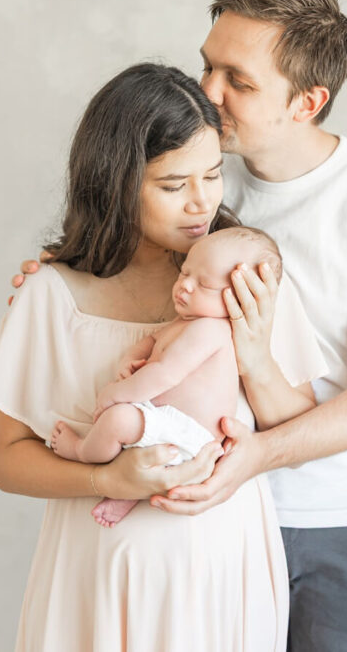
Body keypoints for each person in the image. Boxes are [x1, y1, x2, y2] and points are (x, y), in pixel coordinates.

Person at [14, 0, 347, 651]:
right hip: (204, 517)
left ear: (308, 101)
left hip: (341, 518)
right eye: (207, 65)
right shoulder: (201, 180)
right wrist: (57, 270)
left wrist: (255, 456)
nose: (208, 94)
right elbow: (113, 261)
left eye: (238, 81)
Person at [0, 62, 327, 651]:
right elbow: (8, 462)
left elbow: (293, 432)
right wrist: (105, 477)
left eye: (214, 175)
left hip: (221, 566)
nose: (201, 204)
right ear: (115, 182)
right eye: (173, 185)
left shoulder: (244, 278)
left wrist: (253, 350)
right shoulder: (51, 293)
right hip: (96, 575)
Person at [50, 226, 289, 528]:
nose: (185, 285)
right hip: (167, 424)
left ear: (242, 299)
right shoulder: (186, 323)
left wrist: (118, 392)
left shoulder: (210, 330)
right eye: (185, 272)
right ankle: (129, 494)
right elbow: (151, 342)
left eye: (204, 284)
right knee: (127, 425)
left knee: (118, 419)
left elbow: (165, 374)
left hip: (189, 438)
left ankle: (82, 451)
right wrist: (129, 358)